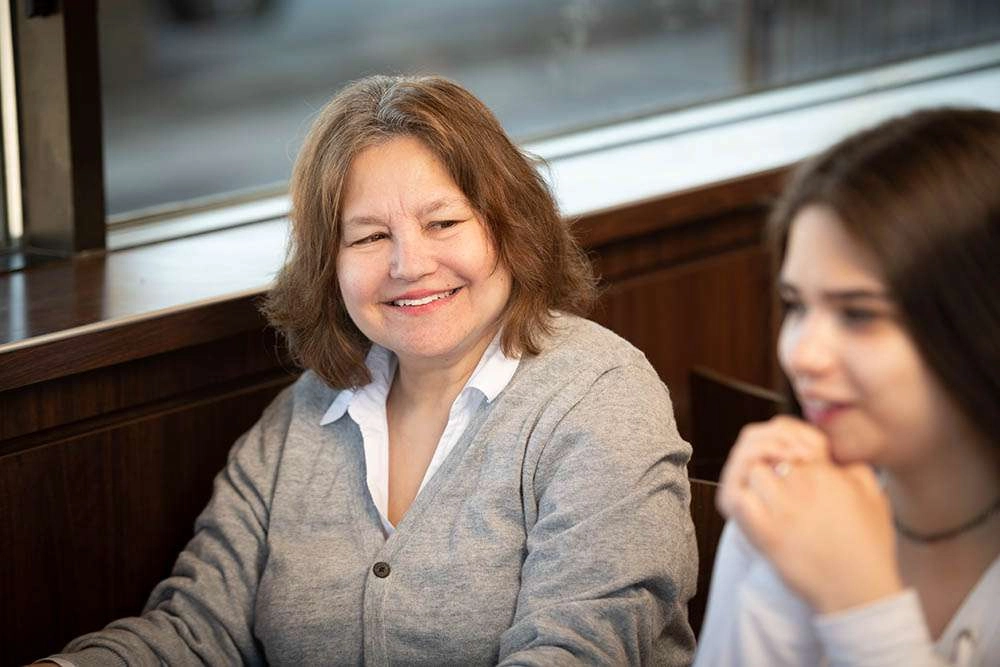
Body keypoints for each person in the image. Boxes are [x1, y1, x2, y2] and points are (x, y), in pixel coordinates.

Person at [42, 75, 696, 665]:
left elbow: (579, 652)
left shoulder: (601, 398)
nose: (408, 264)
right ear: (330, 265)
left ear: (511, 227)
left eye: (442, 222)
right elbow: (193, 634)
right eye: (368, 236)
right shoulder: (303, 415)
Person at [694, 107, 1000, 666]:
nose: (801, 355)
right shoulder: (785, 504)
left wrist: (861, 607)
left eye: (858, 314)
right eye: (795, 305)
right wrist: (778, 582)